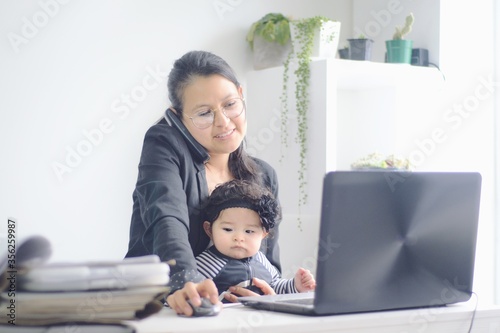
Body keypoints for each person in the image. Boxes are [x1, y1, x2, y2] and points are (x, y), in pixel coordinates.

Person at [125, 50, 282, 316]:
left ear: (241, 95)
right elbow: (167, 219)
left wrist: (267, 291)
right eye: (204, 113)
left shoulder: (264, 175)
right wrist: (185, 281)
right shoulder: (163, 145)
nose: (223, 122)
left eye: (230, 104)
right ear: (178, 118)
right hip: (157, 310)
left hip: (237, 316)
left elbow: (270, 263)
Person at [194, 179, 315, 301]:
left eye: (249, 231)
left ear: (263, 234)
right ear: (209, 230)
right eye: (228, 229)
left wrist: (296, 286)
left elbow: (276, 286)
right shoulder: (207, 264)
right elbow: (188, 290)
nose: (239, 238)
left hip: (261, 318)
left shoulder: (262, 260)